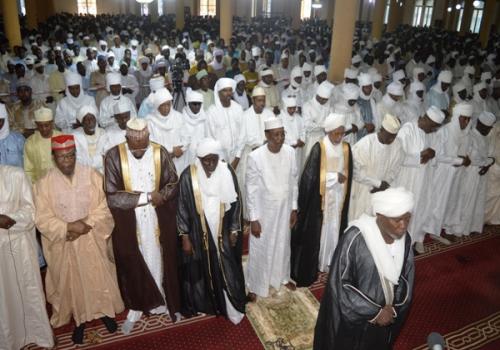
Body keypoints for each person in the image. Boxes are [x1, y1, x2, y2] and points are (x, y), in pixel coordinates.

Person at [34, 134, 124, 344]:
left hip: (91, 238)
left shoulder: (92, 175)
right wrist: (67, 227)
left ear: (76, 154)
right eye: (62, 157)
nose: (67, 161)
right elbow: (41, 217)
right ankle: (79, 320)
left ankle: (104, 312)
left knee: (97, 275)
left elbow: (105, 206)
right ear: (54, 157)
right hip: (65, 243)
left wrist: (85, 224)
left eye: (71, 156)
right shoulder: (43, 184)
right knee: (72, 282)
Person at [104, 118, 181, 334]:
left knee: (159, 257)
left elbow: (173, 183)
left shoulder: (159, 152)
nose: (139, 150)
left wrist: (161, 196)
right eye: (134, 146)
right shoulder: (113, 156)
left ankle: (163, 301)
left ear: (148, 138)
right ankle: (137, 307)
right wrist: (147, 197)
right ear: (126, 138)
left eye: (143, 145)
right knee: (133, 261)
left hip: (157, 218)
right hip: (129, 221)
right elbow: (112, 197)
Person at [314, 187, 415, 350]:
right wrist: (374, 312)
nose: (403, 226)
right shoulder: (355, 238)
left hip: (387, 316)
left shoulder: (405, 240)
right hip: (356, 320)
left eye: (407, 218)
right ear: (380, 216)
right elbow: (341, 285)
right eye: (397, 220)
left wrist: (393, 309)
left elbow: (406, 278)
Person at [177, 138, 246, 324]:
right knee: (204, 268)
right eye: (206, 160)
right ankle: (210, 303)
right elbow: (182, 207)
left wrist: (234, 229)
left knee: (227, 267)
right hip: (199, 232)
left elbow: (237, 202)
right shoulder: (188, 176)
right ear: (199, 159)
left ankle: (232, 306)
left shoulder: (226, 171)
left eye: (214, 159)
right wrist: (184, 236)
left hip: (222, 229)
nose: (210, 164)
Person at [291, 113, 353, 287]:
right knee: (320, 232)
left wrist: (342, 180)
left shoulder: (346, 148)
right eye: (336, 133)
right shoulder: (320, 148)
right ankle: (316, 264)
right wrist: (334, 177)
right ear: (329, 131)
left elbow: (349, 171)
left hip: (338, 198)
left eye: (342, 133)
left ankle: (330, 262)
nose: (339, 137)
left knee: (334, 230)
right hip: (321, 201)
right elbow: (310, 177)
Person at [0, 165, 54, 350]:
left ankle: (37, 334)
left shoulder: (15, 174)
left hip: (19, 246)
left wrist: (8, 219)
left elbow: (31, 212)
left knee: (27, 290)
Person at [245, 118, 298, 301]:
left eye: (282, 133)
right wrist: (253, 219)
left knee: (283, 244)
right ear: (266, 135)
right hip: (264, 212)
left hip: (284, 210)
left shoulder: (291, 152)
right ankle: (255, 284)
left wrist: (294, 208)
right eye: (276, 134)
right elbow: (250, 189)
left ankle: (282, 277)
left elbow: (294, 181)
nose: (280, 138)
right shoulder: (255, 157)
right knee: (261, 247)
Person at [395, 106, 445, 254]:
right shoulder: (407, 130)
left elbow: (434, 153)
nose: (433, 130)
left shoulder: (429, 132)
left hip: (424, 179)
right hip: (409, 179)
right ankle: (401, 242)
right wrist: (420, 156)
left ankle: (417, 238)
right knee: (406, 210)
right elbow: (399, 157)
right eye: (433, 127)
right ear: (426, 120)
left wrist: (432, 154)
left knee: (422, 208)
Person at [422, 103, 473, 242]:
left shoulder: (467, 134)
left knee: (453, 201)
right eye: (463, 118)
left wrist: (466, 160)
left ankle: (447, 226)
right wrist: (458, 160)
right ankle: (433, 229)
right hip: (442, 174)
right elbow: (437, 155)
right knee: (439, 201)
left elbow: (466, 153)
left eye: (469, 119)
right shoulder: (444, 131)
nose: (466, 122)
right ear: (457, 117)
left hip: (457, 174)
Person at [444, 111, 496, 237]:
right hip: (469, 174)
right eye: (486, 128)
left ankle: (470, 227)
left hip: (480, 174)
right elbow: (472, 158)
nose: (488, 130)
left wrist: (488, 163)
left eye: (490, 128)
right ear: (479, 124)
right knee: (465, 201)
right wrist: (488, 162)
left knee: (477, 201)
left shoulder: (484, 137)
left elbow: (488, 155)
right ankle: (458, 229)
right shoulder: (470, 136)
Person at [349, 114, 403, 221]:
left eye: (394, 136)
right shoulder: (365, 144)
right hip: (363, 190)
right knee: (359, 220)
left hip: (383, 191)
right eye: (389, 136)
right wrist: (377, 184)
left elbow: (395, 168)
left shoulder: (397, 145)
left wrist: (385, 183)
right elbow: (356, 172)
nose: (391, 139)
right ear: (381, 130)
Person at [233, 86, 274, 219]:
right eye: (259, 100)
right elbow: (241, 140)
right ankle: (248, 217)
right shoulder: (245, 116)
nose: (262, 103)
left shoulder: (270, 115)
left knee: (266, 185)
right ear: (253, 100)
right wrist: (236, 159)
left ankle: (264, 214)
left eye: (263, 100)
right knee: (249, 187)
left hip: (268, 155)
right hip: (250, 155)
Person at [146, 88, 189, 174]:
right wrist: (170, 154)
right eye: (163, 105)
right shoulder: (150, 121)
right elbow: (150, 144)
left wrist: (181, 149)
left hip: (179, 160)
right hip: (160, 161)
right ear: (157, 106)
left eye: (168, 104)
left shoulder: (178, 117)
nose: (166, 108)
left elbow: (187, 138)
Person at [205, 78, 244, 164]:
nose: (228, 93)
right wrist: (222, 161)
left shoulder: (238, 108)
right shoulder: (212, 112)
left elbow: (243, 133)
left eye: (230, 90)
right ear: (218, 93)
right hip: (219, 159)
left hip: (239, 156)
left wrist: (237, 157)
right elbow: (211, 138)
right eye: (224, 91)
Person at [24, 107, 61, 183]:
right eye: (40, 126)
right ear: (36, 124)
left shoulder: (62, 138)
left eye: (47, 125)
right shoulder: (30, 142)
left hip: (61, 183)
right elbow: (28, 170)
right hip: (39, 185)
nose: (44, 129)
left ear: (52, 123)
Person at [303, 81, 333, 164]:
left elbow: (330, 120)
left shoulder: (327, 106)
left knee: (322, 163)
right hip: (310, 139)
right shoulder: (307, 106)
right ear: (317, 95)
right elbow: (307, 125)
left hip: (323, 137)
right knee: (308, 162)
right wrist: (322, 125)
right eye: (322, 99)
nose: (323, 101)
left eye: (326, 100)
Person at [72, 105, 106, 172]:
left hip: (103, 172)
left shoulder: (103, 133)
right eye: (87, 120)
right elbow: (78, 161)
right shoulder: (75, 136)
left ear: (96, 119)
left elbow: (107, 156)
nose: (90, 122)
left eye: (92, 118)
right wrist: (100, 160)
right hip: (83, 172)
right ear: (82, 122)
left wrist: (89, 161)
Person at [182, 89, 207, 165]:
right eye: (194, 104)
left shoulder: (205, 118)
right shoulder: (181, 120)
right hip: (186, 160)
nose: (197, 107)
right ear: (188, 104)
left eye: (199, 104)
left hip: (203, 159)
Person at [281, 96, 305, 170]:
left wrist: (302, 140)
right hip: (286, 149)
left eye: (294, 108)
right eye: (290, 108)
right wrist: (294, 143)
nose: (292, 110)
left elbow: (303, 130)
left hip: (298, 149)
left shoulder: (299, 118)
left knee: (298, 167)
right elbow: (282, 135)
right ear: (285, 107)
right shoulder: (280, 118)